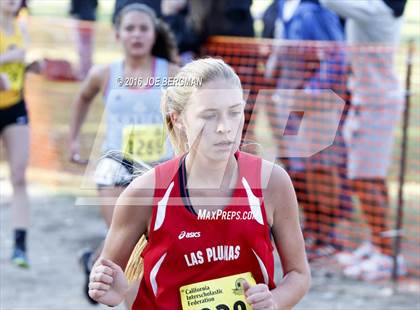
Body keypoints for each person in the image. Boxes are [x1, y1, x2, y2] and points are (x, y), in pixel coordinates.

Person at [87, 58, 311, 309]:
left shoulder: (272, 183)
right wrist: (111, 288)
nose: (225, 127)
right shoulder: (145, 193)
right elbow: (110, 278)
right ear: (179, 119)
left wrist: (275, 301)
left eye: (235, 112)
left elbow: (299, 274)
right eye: (209, 115)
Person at [68, 3, 179, 304]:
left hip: (160, 170)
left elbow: (193, 112)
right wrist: (74, 140)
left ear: (154, 33)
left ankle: (93, 260)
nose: (137, 35)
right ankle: (134, 301)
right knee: (128, 244)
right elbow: (82, 99)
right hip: (116, 169)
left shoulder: (172, 73)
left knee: (153, 243)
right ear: (118, 35)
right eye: (130, 28)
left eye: (143, 28)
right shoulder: (104, 74)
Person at [320, 0, 407, 281]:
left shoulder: (376, 10)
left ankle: (386, 255)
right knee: (372, 179)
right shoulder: (371, 7)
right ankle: (379, 244)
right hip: (368, 102)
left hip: (377, 105)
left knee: (363, 179)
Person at [265, 0, 350, 260]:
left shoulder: (315, 11)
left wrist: (310, 93)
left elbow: (337, 58)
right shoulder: (280, 7)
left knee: (319, 170)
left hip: (314, 107)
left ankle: (328, 235)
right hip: (288, 105)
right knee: (296, 168)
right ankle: (311, 230)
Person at [0, 0, 31, 269]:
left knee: (19, 176)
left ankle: (20, 246)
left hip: (15, 107)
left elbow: (19, 68)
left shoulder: (22, 27)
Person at [69, 0, 98, 79]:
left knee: (83, 48)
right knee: (87, 48)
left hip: (81, 19)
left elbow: (74, 7)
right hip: (89, 18)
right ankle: (86, 71)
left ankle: (85, 72)